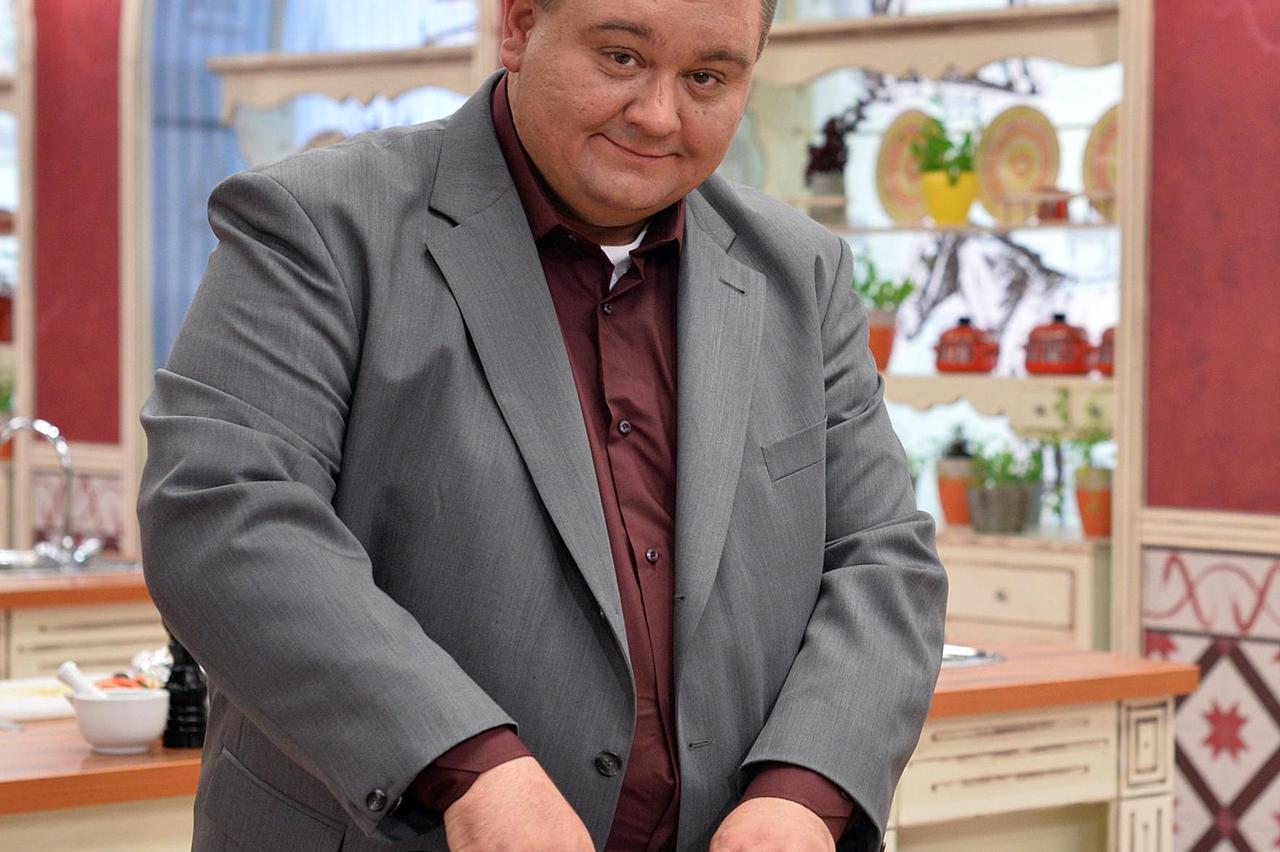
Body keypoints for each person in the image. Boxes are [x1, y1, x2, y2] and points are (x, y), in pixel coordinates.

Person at [137, 1, 948, 850]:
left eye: (707, 77)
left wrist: (804, 792)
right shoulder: (319, 223)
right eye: (622, 57)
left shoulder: (802, 271)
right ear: (519, 26)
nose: (658, 115)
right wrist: (464, 762)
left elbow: (882, 558)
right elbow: (223, 511)